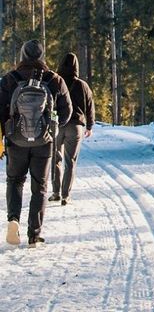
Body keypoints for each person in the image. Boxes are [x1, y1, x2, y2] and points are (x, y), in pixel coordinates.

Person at [0, 40, 72, 246]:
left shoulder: (9, 79)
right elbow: (66, 112)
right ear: (42, 56)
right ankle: (34, 234)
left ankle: (13, 219)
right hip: (44, 141)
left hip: (15, 140)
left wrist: (7, 131)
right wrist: (51, 126)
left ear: (22, 56)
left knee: (14, 181)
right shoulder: (55, 80)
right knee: (39, 186)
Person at [49, 52, 93, 206]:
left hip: (58, 125)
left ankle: (55, 192)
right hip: (76, 126)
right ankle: (65, 195)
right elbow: (90, 107)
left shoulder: (55, 82)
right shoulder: (83, 85)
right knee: (70, 161)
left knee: (55, 159)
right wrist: (90, 126)